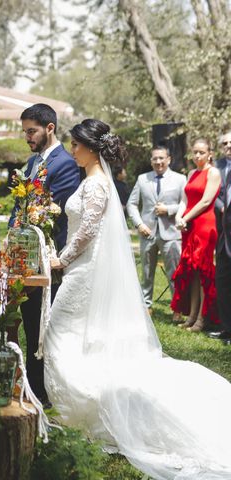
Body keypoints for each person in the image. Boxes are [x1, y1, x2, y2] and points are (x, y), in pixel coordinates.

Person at [46, 119, 231, 480]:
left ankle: (86, 406)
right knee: (71, 331)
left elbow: (87, 231)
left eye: (76, 145)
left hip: (83, 268)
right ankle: (80, 405)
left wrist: (62, 259)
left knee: (58, 328)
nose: (72, 150)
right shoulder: (92, 180)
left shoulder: (98, 184)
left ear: (90, 147)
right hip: (80, 267)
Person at [7, 103, 81, 404]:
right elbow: (20, 208)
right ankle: (34, 385)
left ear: (50, 128)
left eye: (32, 131)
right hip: (25, 257)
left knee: (44, 328)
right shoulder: (32, 163)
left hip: (48, 258)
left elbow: (52, 213)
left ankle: (44, 391)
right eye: (25, 132)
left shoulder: (65, 163)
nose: (28, 137)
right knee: (29, 323)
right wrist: (12, 235)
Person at [126, 146, 186, 313]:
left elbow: (185, 203)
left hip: (171, 232)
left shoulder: (180, 179)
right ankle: (146, 305)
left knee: (174, 272)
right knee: (146, 271)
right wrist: (139, 224)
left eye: (161, 158)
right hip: (148, 232)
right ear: (151, 161)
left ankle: (178, 308)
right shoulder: (142, 179)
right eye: (155, 159)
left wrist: (169, 210)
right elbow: (131, 204)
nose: (158, 162)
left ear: (169, 159)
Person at [170, 139, 221, 332]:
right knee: (191, 272)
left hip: (204, 225)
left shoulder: (213, 172)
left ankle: (202, 318)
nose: (197, 156)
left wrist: (186, 218)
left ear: (210, 153)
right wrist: (178, 216)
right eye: (195, 152)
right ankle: (191, 316)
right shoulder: (191, 173)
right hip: (188, 225)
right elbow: (185, 199)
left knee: (202, 272)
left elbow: (206, 200)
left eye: (201, 152)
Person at [210, 131, 231, 344]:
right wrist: (221, 206)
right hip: (223, 235)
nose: (228, 146)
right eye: (225, 143)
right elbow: (214, 194)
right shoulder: (217, 167)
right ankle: (226, 328)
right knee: (223, 281)